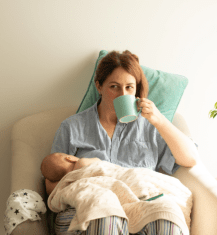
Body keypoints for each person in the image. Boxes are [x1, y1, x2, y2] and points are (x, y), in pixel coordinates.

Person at [49, 50, 199, 235]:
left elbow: (190, 159)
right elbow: (50, 183)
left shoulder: (151, 127)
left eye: (129, 87)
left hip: (139, 205)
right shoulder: (72, 127)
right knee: (105, 217)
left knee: (166, 215)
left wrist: (159, 119)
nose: (122, 94)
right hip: (85, 208)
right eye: (114, 86)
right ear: (99, 86)